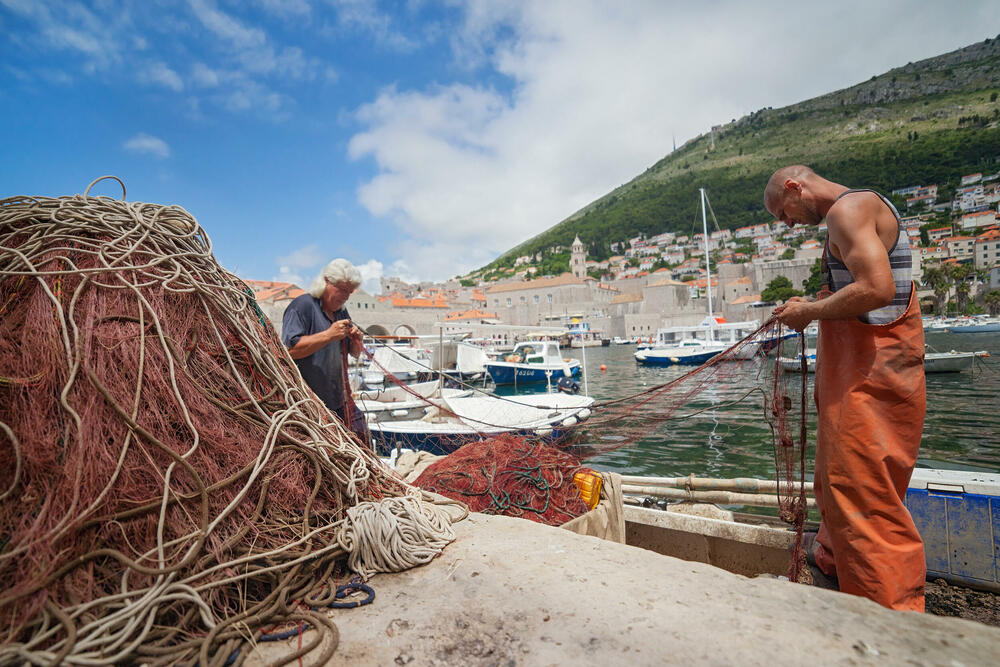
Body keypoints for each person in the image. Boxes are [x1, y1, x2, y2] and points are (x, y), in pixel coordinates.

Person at [764, 165, 926, 612]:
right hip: (865, 373)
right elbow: (859, 287)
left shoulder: (847, 211)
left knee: (864, 492)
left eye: (784, 212)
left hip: (874, 375)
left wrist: (810, 311)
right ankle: (835, 566)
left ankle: (890, 617)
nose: (788, 224)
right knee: (836, 479)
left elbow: (876, 289)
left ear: (795, 187)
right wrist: (808, 305)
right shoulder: (856, 209)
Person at [281, 258, 370, 445]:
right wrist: (328, 335)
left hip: (339, 401)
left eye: (349, 292)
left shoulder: (341, 312)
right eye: (342, 289)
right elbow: (289, 350)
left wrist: (357, 340)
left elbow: (353, 353)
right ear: (326, 282)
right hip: (309, 405)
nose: (346, 296)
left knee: (361, 435)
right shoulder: (302, 306)